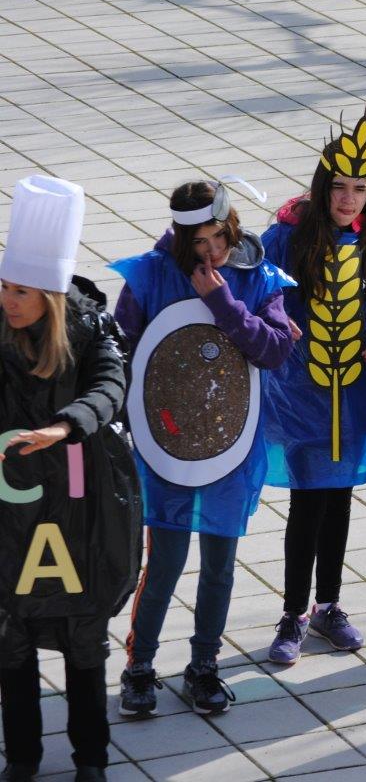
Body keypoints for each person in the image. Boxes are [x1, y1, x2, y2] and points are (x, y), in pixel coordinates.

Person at [111, 179, 294, 717]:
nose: (210, 250)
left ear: (230, 225)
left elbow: (275, 350)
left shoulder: (258, 277)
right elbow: (121, 352)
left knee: (220, 564)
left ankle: (203, 667)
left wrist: (223, 302)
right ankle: (139, 667)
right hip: (165, 443)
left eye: (217, 237)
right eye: (197, 241)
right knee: (163, 562)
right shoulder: (150, 274)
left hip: (229, 446)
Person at [0, 175, 140, 782]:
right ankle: (22, 761)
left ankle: (91, 762)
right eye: (3, 286)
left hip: (79, 512)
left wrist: (66, 426)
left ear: (51, 296)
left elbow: (112, 386)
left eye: (21, 291)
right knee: (10, 639)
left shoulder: (91, 333)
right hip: (10, 514)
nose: (8, 299)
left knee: (85, 643)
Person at [262, 108, 366, 665]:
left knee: (340, 499)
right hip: (300, 395)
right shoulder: (286, 239)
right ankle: (292, 613)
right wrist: (276, 321)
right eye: (340, 187)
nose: (349, 199)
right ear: (323, 187)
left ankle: (329, 605)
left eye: (361, 188)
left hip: (354, 396)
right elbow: (255, 286)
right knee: (307, 504)